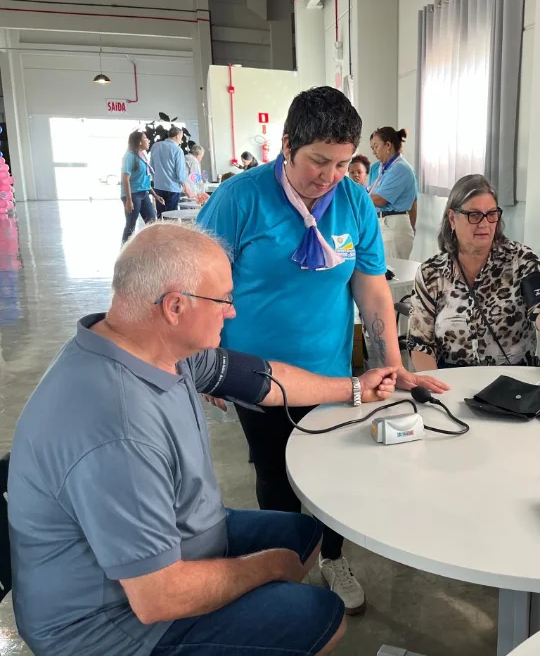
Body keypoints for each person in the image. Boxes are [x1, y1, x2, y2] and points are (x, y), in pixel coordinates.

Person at [8, 222, 401, 656]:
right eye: (224, 300)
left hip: (179, 540)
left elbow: (264, 380)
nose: (232, 312)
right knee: (321, 616)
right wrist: (264, 569)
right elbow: (159, 597)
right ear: (175, 306)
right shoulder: (118, 428)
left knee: (302, 536)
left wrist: (356, 388)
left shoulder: (153, 347)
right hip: (111, 626)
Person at [196, 86, 448, 615]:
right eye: (318, 161)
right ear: (287, 145)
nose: (329, 176)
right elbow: (201, 286)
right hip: (255, 373)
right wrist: (208, 358)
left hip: (332, 372)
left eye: (341, 163)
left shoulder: (354, 201)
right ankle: (287, 563)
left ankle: (331, 556)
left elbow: (372, 288)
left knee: (333, 475)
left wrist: (391, 364)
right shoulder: (239, 200)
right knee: (275, 474)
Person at [407, 174, 540, 383]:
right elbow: (420, 343)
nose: (484, 224)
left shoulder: (520, 260)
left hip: (514, 384)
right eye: (474, 215)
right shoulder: (431, 273)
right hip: (452, 383)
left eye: (491, 214)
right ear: (452, 218)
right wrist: (436, 387)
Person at [369, 126, 417, 259]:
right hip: (385, 224)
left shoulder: (400, 168)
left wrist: (356, 196)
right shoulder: (384, 169)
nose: (374, 151)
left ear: (388, 145)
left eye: (376, 146)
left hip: (393, 225)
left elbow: (378, 199)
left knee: (392, 274)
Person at [120, 130, 164, 243]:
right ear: (139, 142)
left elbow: (145, 180)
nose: (148, 141)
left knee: (152, 222)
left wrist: (155, 195)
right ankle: (125, 250)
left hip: (144, 193)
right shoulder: (129, 156)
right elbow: (126, 178)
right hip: (133, 194)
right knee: (131, 224)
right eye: (145, 139)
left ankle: (152, 247)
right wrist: (129, 200)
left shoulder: (143, 156)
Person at [150, 126, 194, 217]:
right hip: (172, 188)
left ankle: (160, 231)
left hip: (158, 187)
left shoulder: (155, 146)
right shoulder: (177, 150)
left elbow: (151, 167)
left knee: (160, 215)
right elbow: (180, 174)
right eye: (181, 137)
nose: (181, 140)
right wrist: (187, 189)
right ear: (177, 136)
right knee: (170, 216)